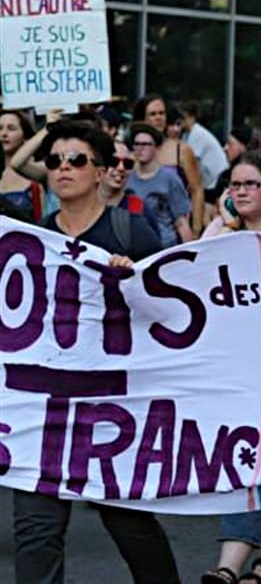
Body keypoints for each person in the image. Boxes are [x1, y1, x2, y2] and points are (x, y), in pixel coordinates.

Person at [13, 121, 177, 584]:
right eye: (55, 160)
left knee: (129, 524)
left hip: (111, 410)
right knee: (35, 531)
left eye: (77, 160)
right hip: (43, 411)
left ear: (102, 170)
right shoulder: (34, 245)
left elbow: (171, 315)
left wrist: (133, 286)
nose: (64, 168)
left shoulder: (132, 233)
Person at [199, 153, 261, 584]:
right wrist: (222, 226)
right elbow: (193, 272)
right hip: (230, 370)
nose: (240, 192)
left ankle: (228, 565)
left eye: (251, 184)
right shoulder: (223, 234)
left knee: (249, 463)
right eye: (234, 185)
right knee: (249, 463)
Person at [132, 94, 205, 233]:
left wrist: (196, 229)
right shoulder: (134, 152)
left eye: (162, 113)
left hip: (174, 230)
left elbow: (197, 190)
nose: (158, 118)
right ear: (142, 118)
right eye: (153, 114)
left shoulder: (181, 149)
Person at [128, 123, 195, 248]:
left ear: (157, 148)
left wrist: (191, 253)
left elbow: (181, 222)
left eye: (146, 144)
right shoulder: (126, 177)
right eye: (137, 144)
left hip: (164, 246)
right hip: (133, 247)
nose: (140, 148)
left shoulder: (170, 178)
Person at [1, 108, 48, 220]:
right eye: (0, 128)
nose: (4, 134)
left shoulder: (37, 177)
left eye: (11, 129)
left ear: (26, 137)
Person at [179, 100, 230, 199]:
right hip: (208, 178)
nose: (181, 121)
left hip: (216, 180)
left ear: (192, 117)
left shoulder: (197, 133)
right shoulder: (186, 135)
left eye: (183, 117)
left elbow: (193, 162)